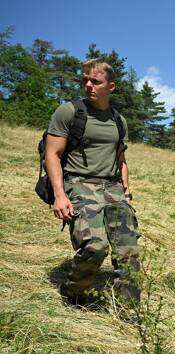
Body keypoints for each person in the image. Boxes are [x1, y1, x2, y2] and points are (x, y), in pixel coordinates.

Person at [45, 59, 141, 305]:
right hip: (79, 183)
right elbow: (52, 155)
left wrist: (126, 192)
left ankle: (128, 310)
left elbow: (121, 161)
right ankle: (73, 294)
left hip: (112, 187)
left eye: (95, 81)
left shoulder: (118, 120)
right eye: (85, 80)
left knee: (128, 251)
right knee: (95, 247)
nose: (88, 85)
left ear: (111, 86)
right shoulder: (69, 112)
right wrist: (59, 195)